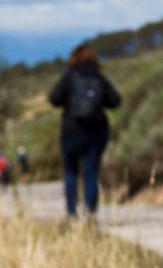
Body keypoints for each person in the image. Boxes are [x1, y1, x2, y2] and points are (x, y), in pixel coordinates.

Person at [48, 43, 122, 219]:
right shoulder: (99, 78)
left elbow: (54, 98)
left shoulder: (69, 77)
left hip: (71, 131)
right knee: (91, 173)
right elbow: (115, 101)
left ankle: (72, 213)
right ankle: (91, 213)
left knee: (70, 171)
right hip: (96, 132)